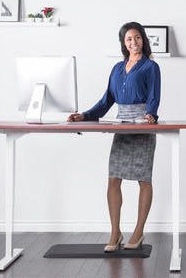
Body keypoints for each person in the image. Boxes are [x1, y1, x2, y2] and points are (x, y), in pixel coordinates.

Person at [68, 22, 161, 252]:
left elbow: (154, 96)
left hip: (142, 124)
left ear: (143, 40)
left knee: (143, 179)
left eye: (137, 38)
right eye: (129, 39)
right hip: (121, 125)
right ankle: (115, 232)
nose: (134, 42)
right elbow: (106, 101)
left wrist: (150, 114)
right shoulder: (117, 69)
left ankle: (138, 232)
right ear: (123, 43)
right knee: (113, 179)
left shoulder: (151, 66)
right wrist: (85, 115)